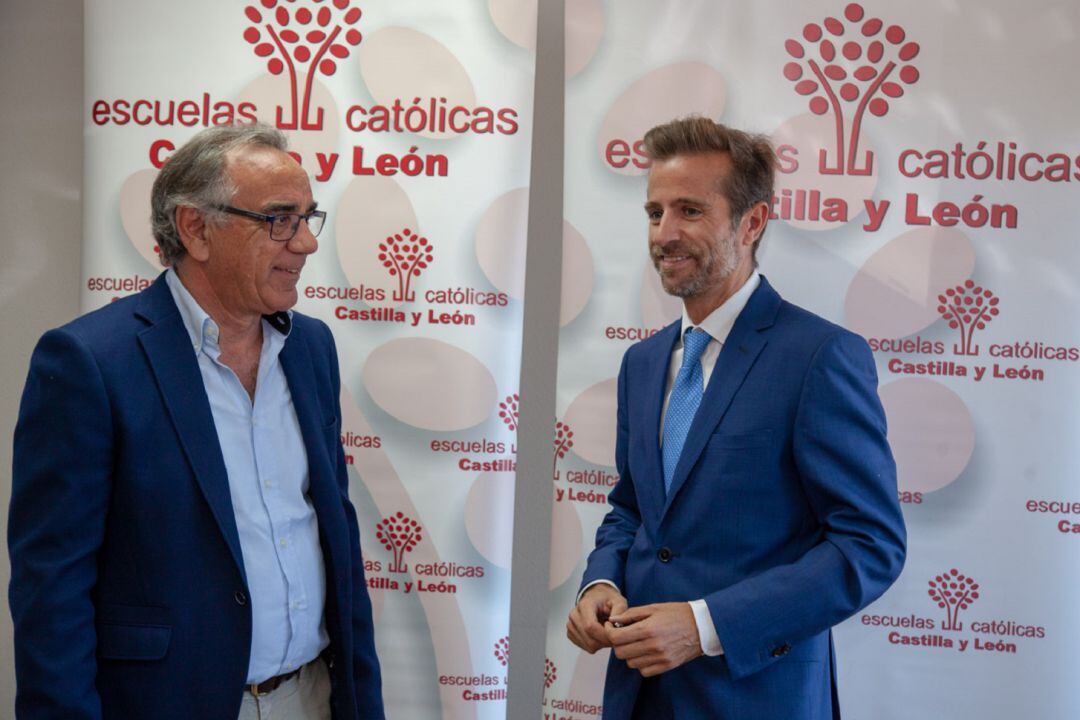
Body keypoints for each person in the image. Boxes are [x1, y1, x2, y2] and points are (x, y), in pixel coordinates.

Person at [9, 124, 383, 720]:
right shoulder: (91, 364)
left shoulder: (311, 348)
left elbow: (334, 534)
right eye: (279, 219)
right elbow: (52, 587)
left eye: (309, 217)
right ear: (195, 229)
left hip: (311, 697)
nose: (306, 244)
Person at [566, 116, 906, 719]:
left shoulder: (819, 357)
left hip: (758, 697)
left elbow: (869, 545)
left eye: (690, 211)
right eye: (654, 212)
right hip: (638, 695)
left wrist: (705, 625)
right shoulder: (642, 363)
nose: (664, 234)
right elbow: (632, 511)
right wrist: (601, 583)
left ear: (752, 222)